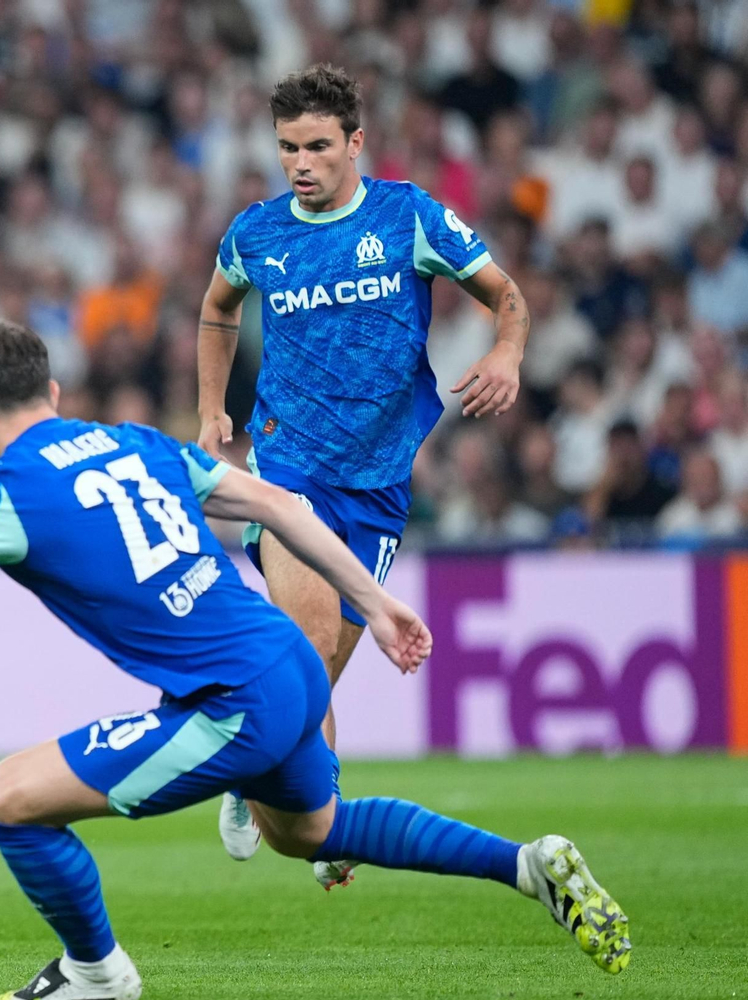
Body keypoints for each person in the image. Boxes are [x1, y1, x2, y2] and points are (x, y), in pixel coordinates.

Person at [0, 321, 629, 1000]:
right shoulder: (139, 444)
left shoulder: (2, 492)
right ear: (53, 391)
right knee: (313, 831)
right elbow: (283, 507)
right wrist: (370, 601)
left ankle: (94, 972)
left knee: (8, 795)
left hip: (231, 700)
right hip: (290, 663)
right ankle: (524, 863)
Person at [195, 65, 531, 888]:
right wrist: (212, 410)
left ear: (355, 143)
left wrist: (507, 349)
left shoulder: (408, 216)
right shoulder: (258, 231)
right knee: (307, 647)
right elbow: (216, 308)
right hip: (288, 467)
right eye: (286, 148)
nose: (300, 163)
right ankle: (318, 806)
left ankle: (266, 771)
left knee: (321, 670)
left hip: (379, 482)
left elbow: (506, 294)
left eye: (316, 146)